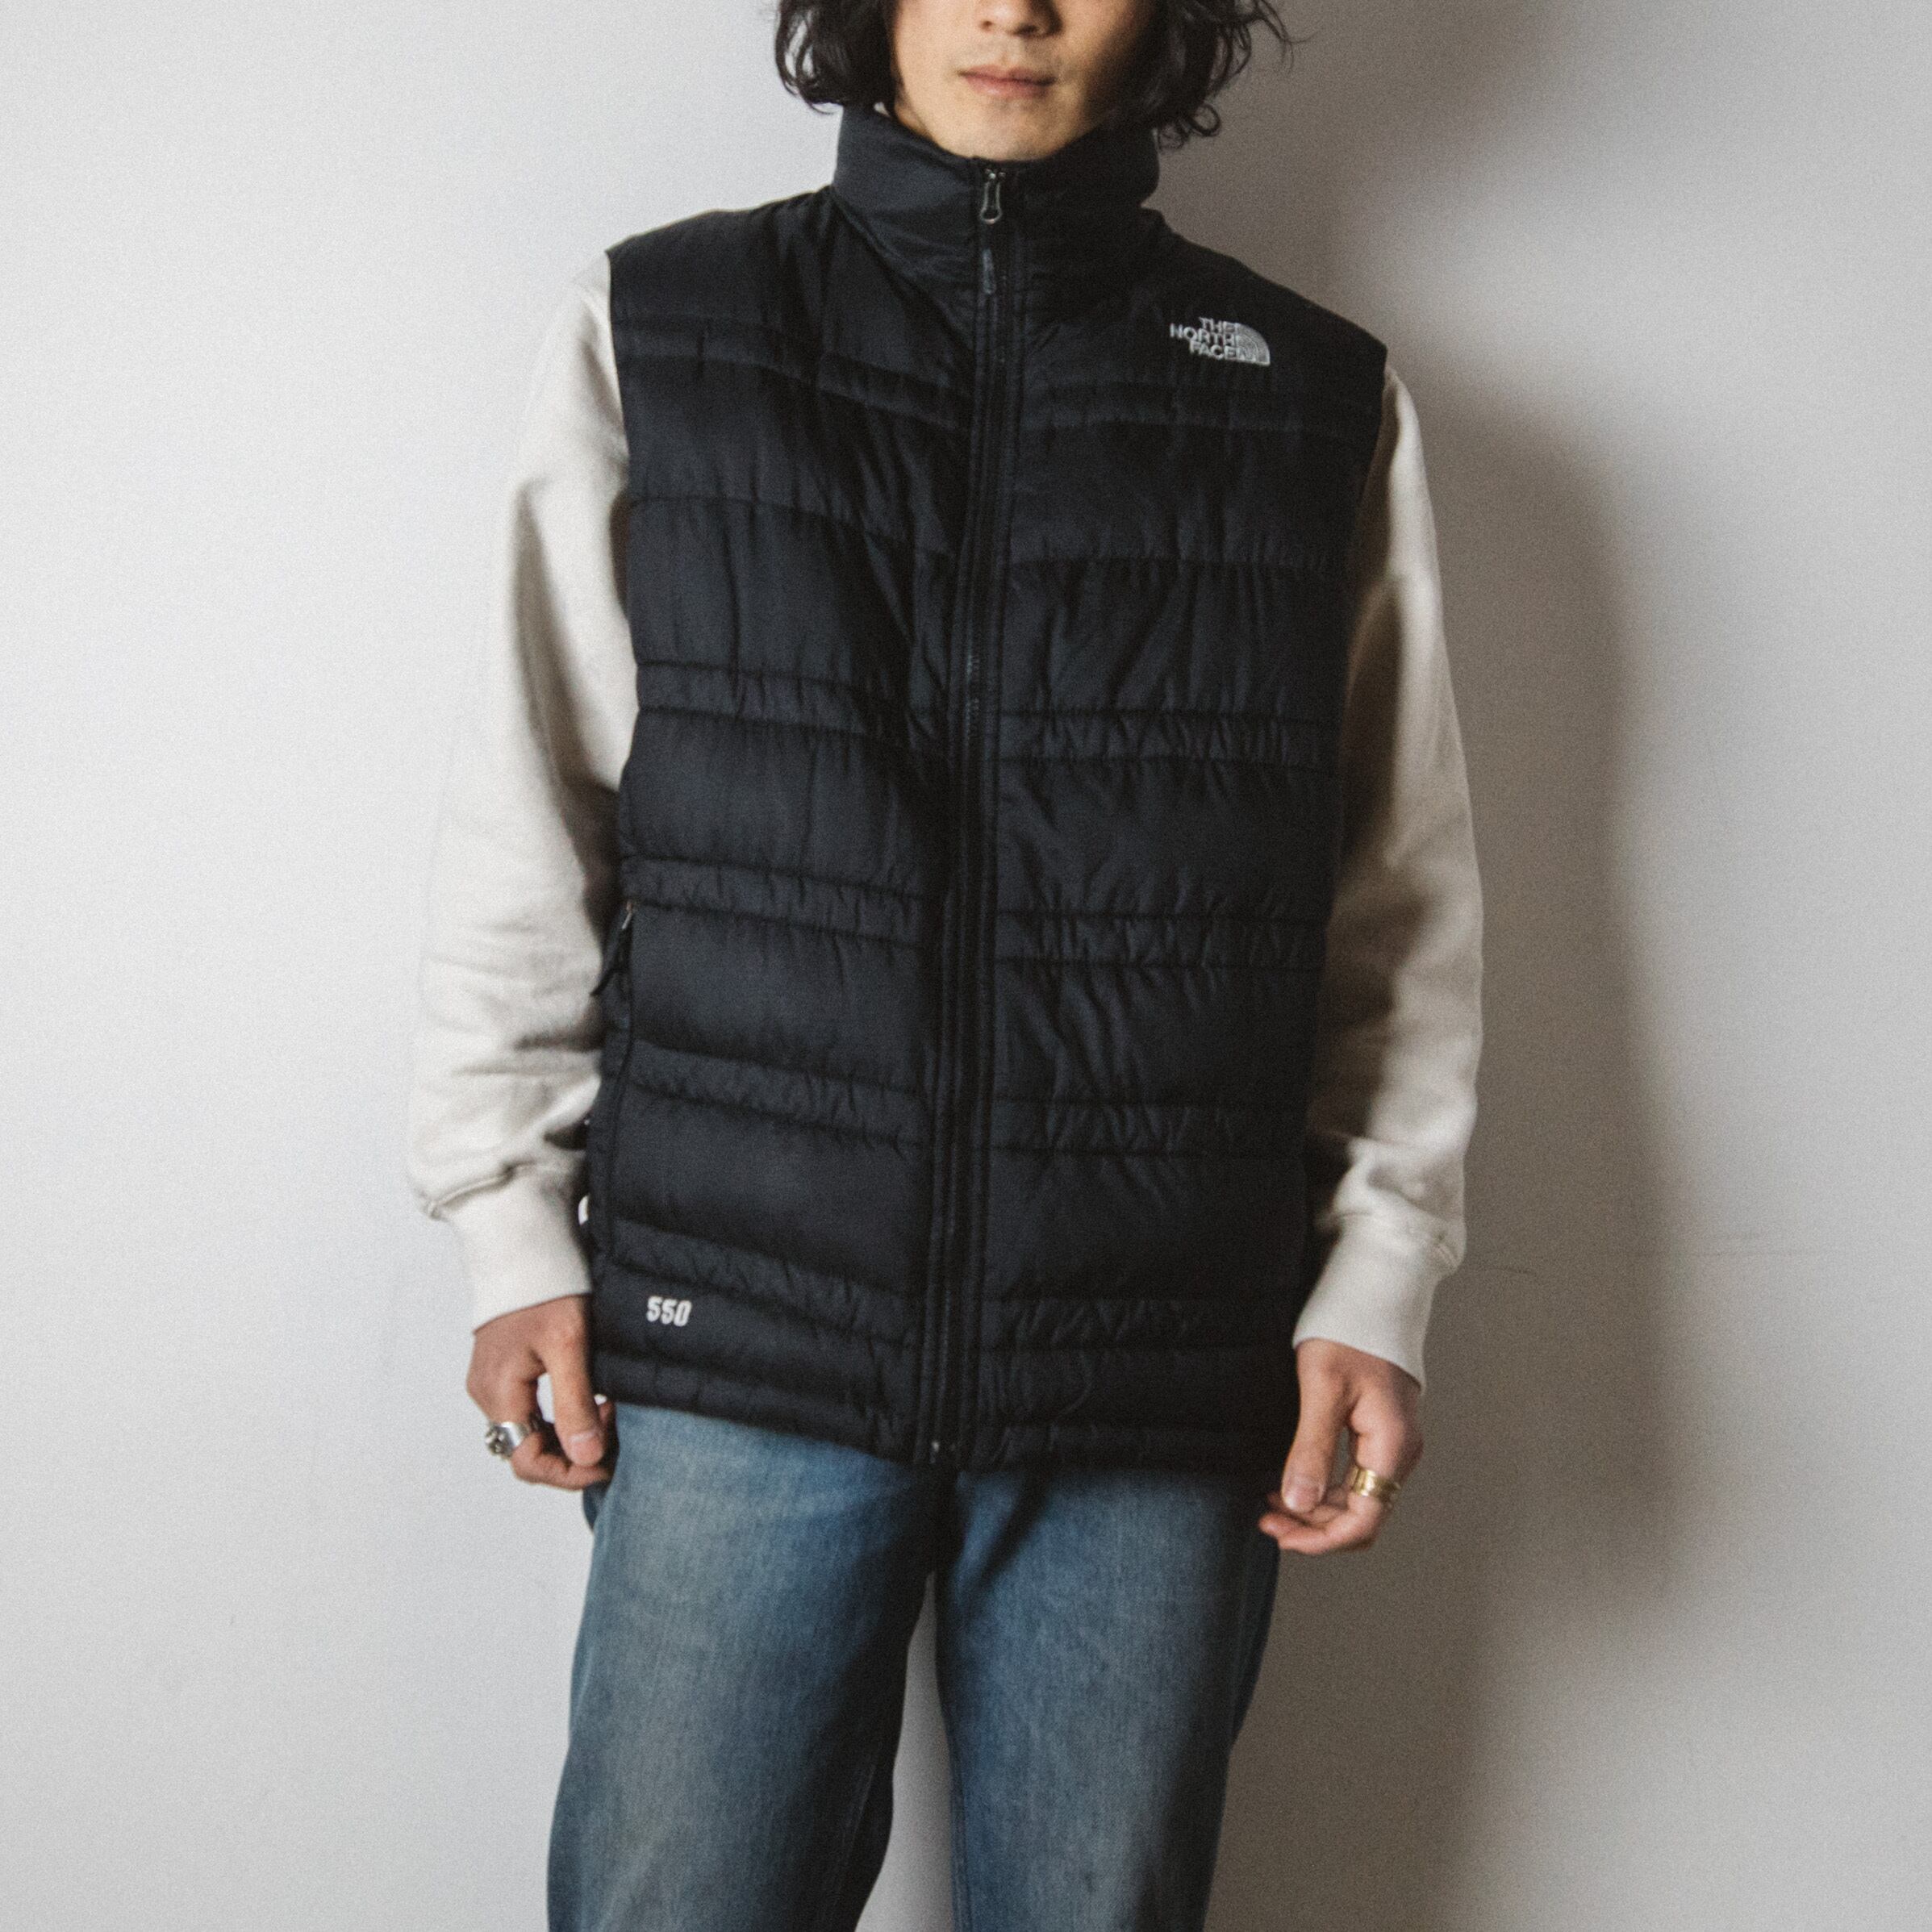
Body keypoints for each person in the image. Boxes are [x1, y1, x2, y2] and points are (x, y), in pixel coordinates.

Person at [405, 0, 1483, 1925]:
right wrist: (509, 1229)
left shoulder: (1312, 395)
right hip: (735, 1326)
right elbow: (532, 806)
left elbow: (1396, 891)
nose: (1013, 7)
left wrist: (1377, 1273)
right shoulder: (666, 327)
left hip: (1158, 1353)